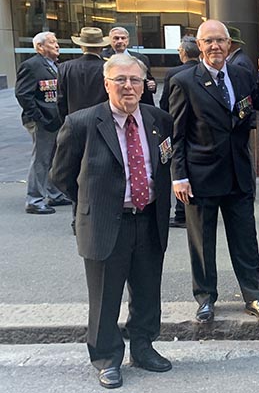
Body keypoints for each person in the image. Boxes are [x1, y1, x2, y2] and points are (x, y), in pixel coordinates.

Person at [49, 54, 174, 389]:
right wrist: (91, 204)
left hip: (148, 220)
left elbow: (162, 164)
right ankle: (106, 357)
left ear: (145, 83)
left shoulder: (158, 119)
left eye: (134, 80)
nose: (128, 86)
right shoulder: (82, 124)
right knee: (105, 296)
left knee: (147, 291)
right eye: (120, 80)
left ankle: (144, 348)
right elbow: (61, 176)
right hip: (106, 223)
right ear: (107, 84)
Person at [169, 19, 259, 323]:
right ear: (199, 46)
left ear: (229, 45)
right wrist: (179, 176)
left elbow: (249, 113)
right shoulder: (185, 81)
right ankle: (205, 298)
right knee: (202, 242)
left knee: (246, 240)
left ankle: (254, 297)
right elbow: (177, 133)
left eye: (221, 41)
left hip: (238, 174)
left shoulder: (242, 75)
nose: (215, 46)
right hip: (200, 176)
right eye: (209, 41)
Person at [15, 31, 68, 214]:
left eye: (56, 42)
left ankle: (54, 194)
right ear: (40, 47)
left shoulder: (54, 65)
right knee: (41, 159)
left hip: (54, 120)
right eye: (52, 43)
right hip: (41, 121)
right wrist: (38, 117)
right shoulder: (31, 66)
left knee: (53, 158)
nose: (57, 45)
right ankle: (34, 199)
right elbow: (23, 94)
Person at [159, 35, 200, 228]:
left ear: (182, 52)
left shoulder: (174, 74)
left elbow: (165, 103)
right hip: (197, 133)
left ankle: (181, 212)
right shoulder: (201, 72)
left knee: (176, 165)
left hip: (176, 127)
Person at [58, 27, 110, 119]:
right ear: (101, 47)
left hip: (73, 120)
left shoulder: (65, 67)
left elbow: (61, 100)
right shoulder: (109, 68)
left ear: (81, 46)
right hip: (102, 120)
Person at [102, 27, 157, 106]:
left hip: (138, 103)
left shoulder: (141, 58)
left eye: (123, 38)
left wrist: (152, 85)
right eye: (116, 38)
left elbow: (148, 78)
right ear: (110, 40)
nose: (120, 41)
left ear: (127, 40)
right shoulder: (102, 58)